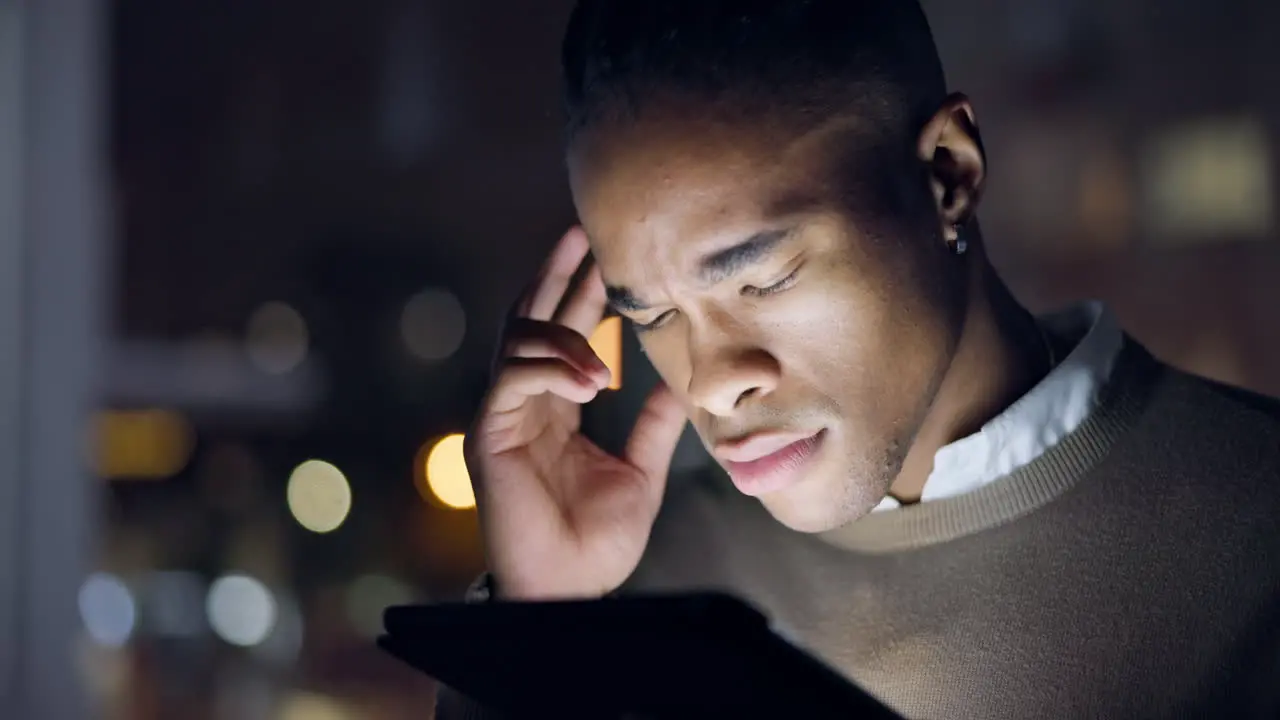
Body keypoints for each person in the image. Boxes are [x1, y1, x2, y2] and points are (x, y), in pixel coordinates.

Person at [439, 0, 1280, 717]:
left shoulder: (1256, 530)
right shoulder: (624, 594)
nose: (712, 380)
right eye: (652, 314)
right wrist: (535, 627)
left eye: (764, 277)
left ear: (948, 173)